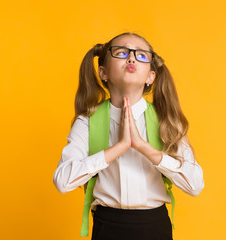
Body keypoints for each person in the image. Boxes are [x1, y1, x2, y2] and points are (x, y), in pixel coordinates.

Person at [52, 32, 204, 240]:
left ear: (150, 76)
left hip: (155, 227)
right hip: (108, 227)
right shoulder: (87, 122)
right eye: (121, 53)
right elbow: (62, 181)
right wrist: (119, 147)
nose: (131, 58)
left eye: (141, 55)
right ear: (103, 72)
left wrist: (143, 147)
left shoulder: (166, 121)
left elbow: (195, 185)